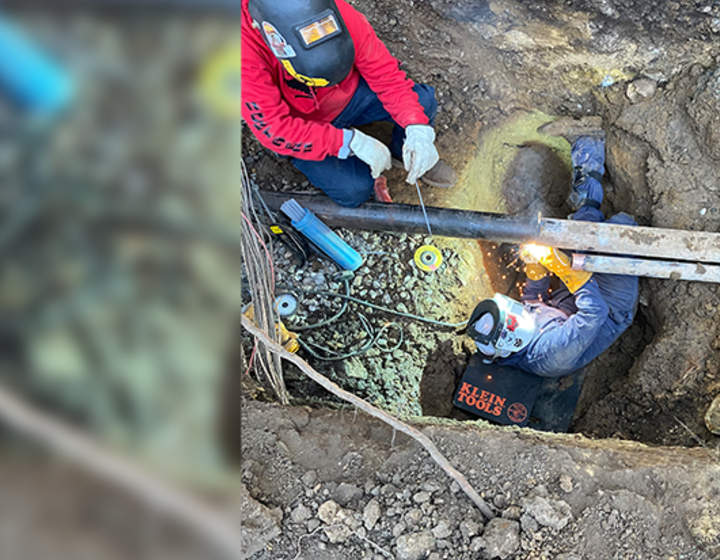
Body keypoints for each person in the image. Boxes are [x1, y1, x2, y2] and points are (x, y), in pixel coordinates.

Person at [465, 119, 639, 378]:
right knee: (621, 226)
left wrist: (535, 267)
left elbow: (533, 300)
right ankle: (591, 172)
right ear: (510, 340)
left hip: (571, 298)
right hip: (611, 305)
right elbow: (595, 312)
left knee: (581, 234)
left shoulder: (517, 330)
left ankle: (588, 147)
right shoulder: (550, 355)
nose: (520, 312)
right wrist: (560, 266)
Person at [241, 0, 456, 208]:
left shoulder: (333, 11)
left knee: (422, 103)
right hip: (303, 125)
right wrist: (347, 142)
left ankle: (406, 153)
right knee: (353, 191)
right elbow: (273, 130)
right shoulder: (240, 53)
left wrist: (416, 126)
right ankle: (365, 175)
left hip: (350, 95)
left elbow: (385, 75)